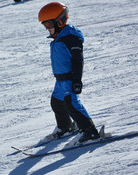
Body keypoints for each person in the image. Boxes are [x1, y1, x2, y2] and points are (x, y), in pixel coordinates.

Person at [38, 2, 100, 144]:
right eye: (45, 26)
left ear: (59, 21)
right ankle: (65, 127)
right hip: (60, 80)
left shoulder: (71, 38)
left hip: (69, 79)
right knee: (57, 102)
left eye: (48, 25)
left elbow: (78, 61)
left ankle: (90, 131)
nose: (47, 29)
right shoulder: (59, 37)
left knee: (72, 104)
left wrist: (77, 80)